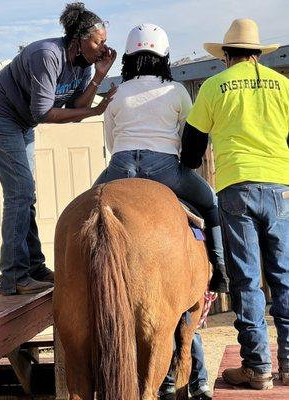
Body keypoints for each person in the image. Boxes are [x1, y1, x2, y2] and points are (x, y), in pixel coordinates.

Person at [94, 22, 229, 400]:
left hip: (119, 166)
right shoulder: (175, 91)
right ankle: (220, 270)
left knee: (88, 210)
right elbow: (189, 137)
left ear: (131, 57)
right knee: (211, 202)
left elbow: (109, 140)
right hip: (165, 168)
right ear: (164, 57)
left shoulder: (117, 94)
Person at [181, 18, 289, 390]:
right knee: (284, 277)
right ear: (258, 54)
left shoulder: (214, 86)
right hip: (280, 188)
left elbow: (192, 149)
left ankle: (257, 368)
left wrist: (189, 166)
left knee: (247, 281)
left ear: (226, 56)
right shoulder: (283, 86)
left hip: (235, 189)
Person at [0, 2, 117, 295]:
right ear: (79, 39)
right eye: (99, 41)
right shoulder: (47, 55)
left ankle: (33, 266)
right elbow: (43, 113)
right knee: (20, 191)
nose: (104, 48)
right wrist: (95, 113)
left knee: (26, 193)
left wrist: (99, 75)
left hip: (22, 121)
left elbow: (76, 107)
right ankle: (14, 276)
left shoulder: (83, 65)